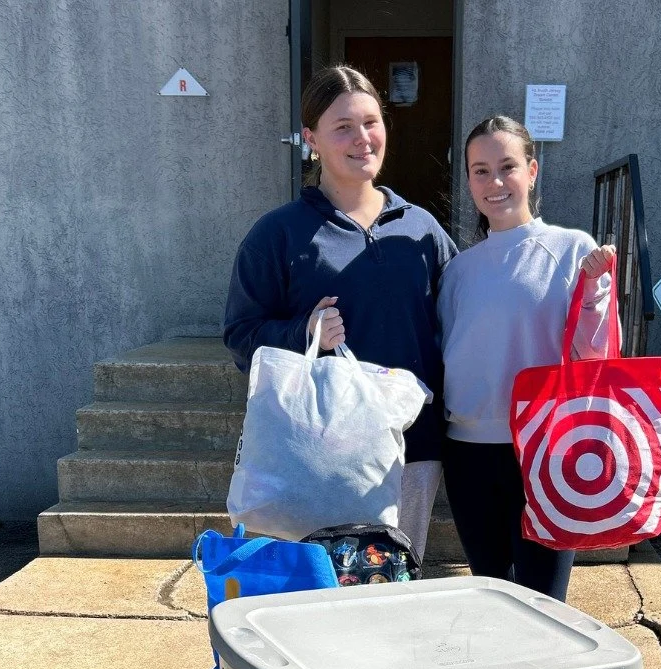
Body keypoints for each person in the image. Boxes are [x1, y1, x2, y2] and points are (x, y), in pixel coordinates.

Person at [223, 66, 456, 561]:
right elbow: (241, 336)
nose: (362, 138)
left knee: (394, 584)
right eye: (343, 127)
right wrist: (301, 332)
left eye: (371, 122)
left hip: (412, 447)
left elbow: (463, 320)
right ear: (311, 139)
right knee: (320, 593)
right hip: (317, 450)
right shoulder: (278, 234)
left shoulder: (421, 228)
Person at [437, 115, 616, 599]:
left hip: (546, 447)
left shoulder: (572, 248)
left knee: (545, 603)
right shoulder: (458, 271)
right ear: (469, 180)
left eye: (507, 167)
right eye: (480, 171)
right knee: (493, 597)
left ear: (532, 171)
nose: (494, 182)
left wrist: (596, 290)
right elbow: (447, 355)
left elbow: (593, 355)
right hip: (468, 453)